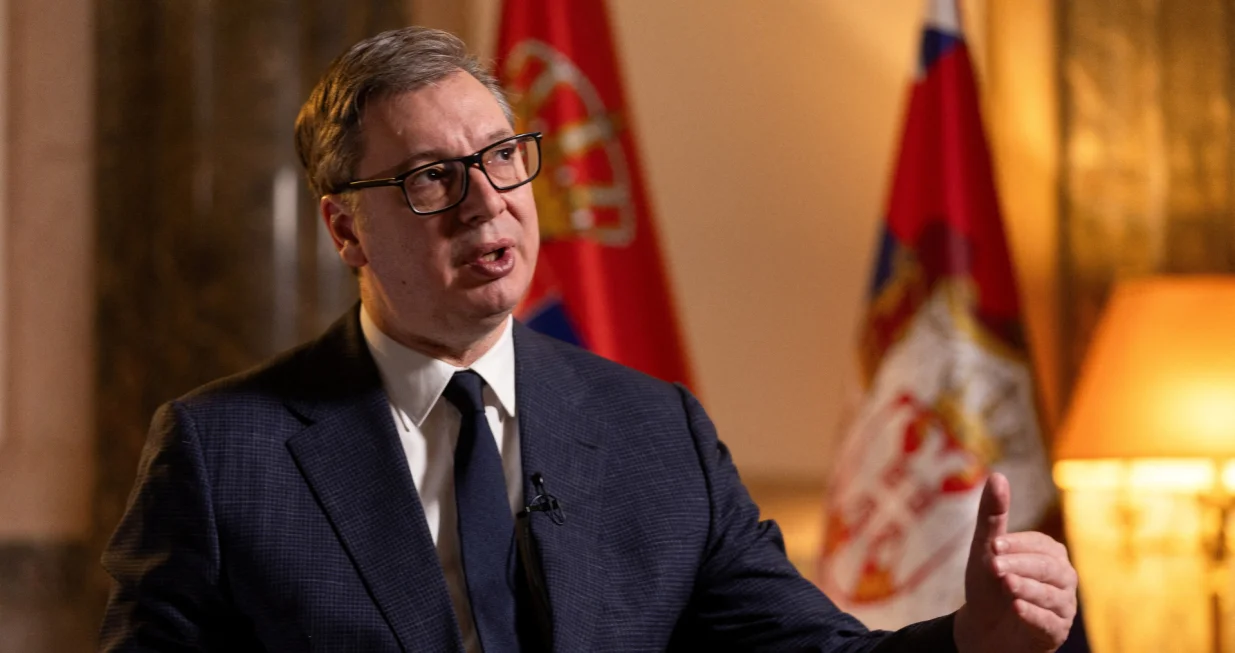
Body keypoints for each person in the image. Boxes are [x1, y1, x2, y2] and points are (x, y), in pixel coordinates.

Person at [99, 26, 1076, 652]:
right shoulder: (223, 453)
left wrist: (966, 639)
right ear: (345, 228)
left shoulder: (657, 432)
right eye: (430, 178)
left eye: (500, 160)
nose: (486, 205)